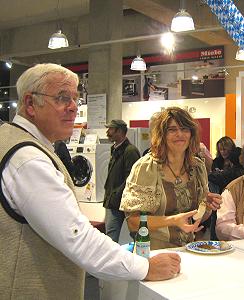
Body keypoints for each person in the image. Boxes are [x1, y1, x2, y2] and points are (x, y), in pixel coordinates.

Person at [0, 64, 180, 299]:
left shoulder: (11, 140)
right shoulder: (29, 160)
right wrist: (145, 267)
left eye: (76, 98)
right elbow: (76, 236)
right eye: (63, 98)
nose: (74, 107)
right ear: (31, 104)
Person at [120, 106, 222, 249]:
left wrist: (208, 206)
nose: (180, 134)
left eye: (185, 129)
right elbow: (133, 222)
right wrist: (172, 220)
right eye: (172, 130)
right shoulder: (146, 167)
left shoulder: (197, 167)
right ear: (162, 135)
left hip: (188, 249)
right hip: (154, 251)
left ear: (191, 134)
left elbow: (197, 217)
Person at [103, 119, 141, 242]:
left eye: (111, 129)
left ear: (119, 131)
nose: (107, 132)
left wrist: (115, 194)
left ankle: (140, 258)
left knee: (136, 234)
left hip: (124, 202)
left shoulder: (130, 151)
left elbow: (132, 178)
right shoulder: (114, 148)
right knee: (110, 235)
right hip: (113, 201)